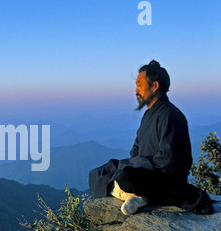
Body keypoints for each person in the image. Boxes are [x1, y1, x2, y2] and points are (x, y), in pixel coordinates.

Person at [89, 60, 213, 215]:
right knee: (97, 173)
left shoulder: (171, 115)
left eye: (140, 84)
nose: (136, 90)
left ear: (155, 86)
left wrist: (138, 166)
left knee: (126, 177)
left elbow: (169, 163)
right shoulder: (148, 115)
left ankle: (136, 195)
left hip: (164, 181)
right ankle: (136, 196)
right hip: (146, 173)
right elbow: (135, 151)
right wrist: (134, 164)